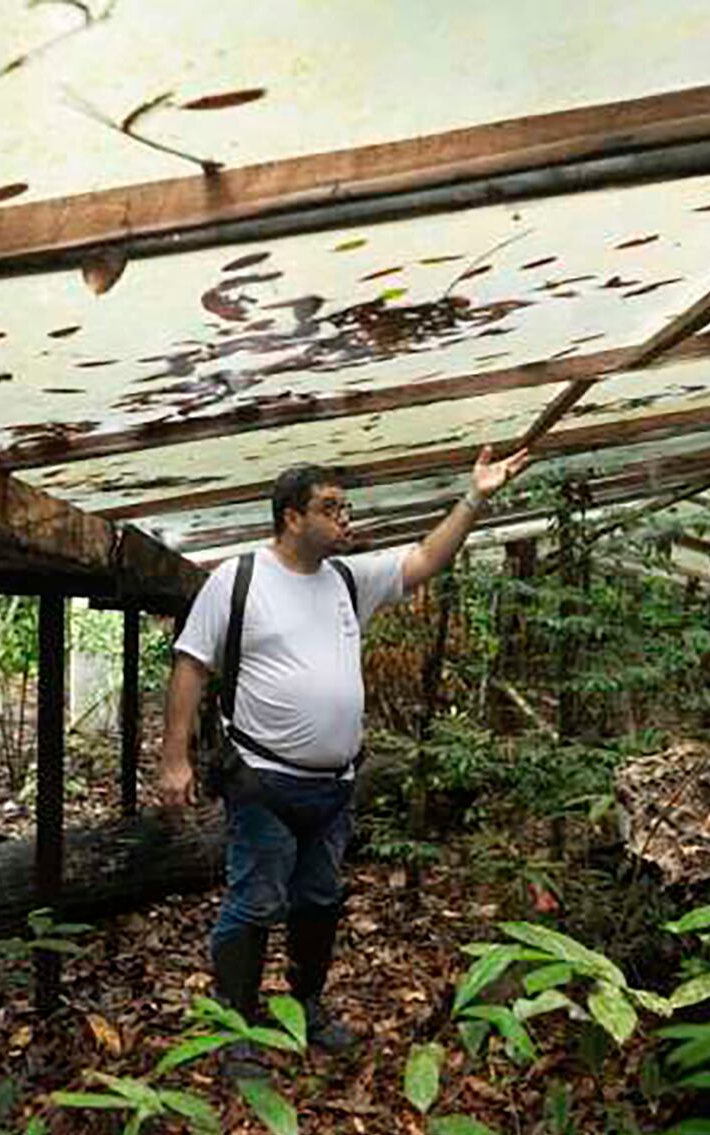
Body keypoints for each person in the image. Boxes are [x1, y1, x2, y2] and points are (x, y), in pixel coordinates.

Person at [159, 444, 532, 1077]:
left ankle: (305, 1005)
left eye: (346, 508)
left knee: (320, 899)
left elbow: (426, 560)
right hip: (263, 779)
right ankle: (235, 1026)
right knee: (254, 900)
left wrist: (476, 497)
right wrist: (173, 759)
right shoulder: (239, 578)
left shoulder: (346, 580)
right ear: (290, 517)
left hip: (334, 786)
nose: (345, 520)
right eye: (330, 509)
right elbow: (191, 663)